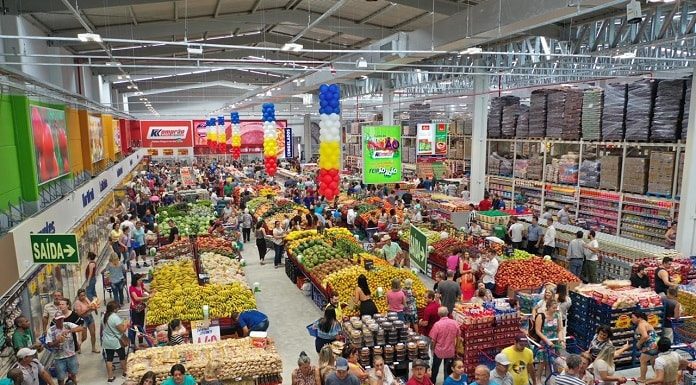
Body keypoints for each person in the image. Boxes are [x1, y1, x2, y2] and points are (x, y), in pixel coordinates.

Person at [45, 312, 85, 385]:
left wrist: (69, 331)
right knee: (60, 377)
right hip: (59, 357)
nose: (60, 321)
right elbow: (49, 344)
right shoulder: (51, 330)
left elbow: (81, 328)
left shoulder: (67, 325)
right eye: (58, 319)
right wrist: (57, 341)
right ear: (55, 320)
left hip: (71, 355)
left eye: (61, 319)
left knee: (73, 374)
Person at [533, 299, 564, 381]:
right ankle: (538, 379)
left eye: (556, 307)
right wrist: (547, 340)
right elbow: (537, 331)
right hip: (544, 341)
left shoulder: (557, 315)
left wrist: (561, 340)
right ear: (548, 307)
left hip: (554, 341)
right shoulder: (541, 316)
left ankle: (548, 378)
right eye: (554, 308)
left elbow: (559, 329)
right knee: (542, 361)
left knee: (551, 360)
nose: (556, 309)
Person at [429, 306, 460, 384]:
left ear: (439, 314)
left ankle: (433, 382)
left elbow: (433, 340)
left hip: (438, 351)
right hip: (450, 351)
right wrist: (456, 348)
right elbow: (458, 337)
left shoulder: (437, 325)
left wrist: (432, 349)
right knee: (448, 370)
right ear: (447, 313)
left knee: (435, 369)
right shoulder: (454, 323)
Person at [102, 301, 128, 382]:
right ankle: (125, 372)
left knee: (109, 359)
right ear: (114, 309)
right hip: (116, 341)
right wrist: (126, 323)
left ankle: (110, 377)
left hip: (106, 340)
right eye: (117, 308)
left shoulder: (104, 316)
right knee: (122, 357)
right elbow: (122, 330)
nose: (118, 309)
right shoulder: (115, 318)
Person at [632, 310, 659, 382]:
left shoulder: (641, 325)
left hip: (649, 346)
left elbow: (645, 336)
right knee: (654, 361)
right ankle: (659, 376)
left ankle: (642, 378)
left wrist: (639, 343)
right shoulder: (645, 323)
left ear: (639, 318)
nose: (632, 319)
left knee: (643, 361)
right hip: (655, 344)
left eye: (633, 317)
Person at [73, 289, 99, 353]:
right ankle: (78, 345)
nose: (83, 297)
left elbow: (91, 305)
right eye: (81, 296)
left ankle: (93, 348)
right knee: (84, 337)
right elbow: (79, 314)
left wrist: (94, 308)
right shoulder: (77, 303)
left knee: (93, 334)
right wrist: (88, 309)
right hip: (83, 320)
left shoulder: (86, 299)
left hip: (90, 317)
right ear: (78, 296)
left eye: (84, 295)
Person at [128, 273, 150, 349]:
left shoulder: (141, 285)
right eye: (139, 280)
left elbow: (146, 292)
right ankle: (133, 344)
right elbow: (136, 298)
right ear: (135, 280)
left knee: (140, 326)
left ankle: (140, 343)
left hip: (141, 308)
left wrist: (151, 293)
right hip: (134, 310)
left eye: (141, 280)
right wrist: (147, 297)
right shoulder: (132, 288)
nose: (141, 281)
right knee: (134, 326)